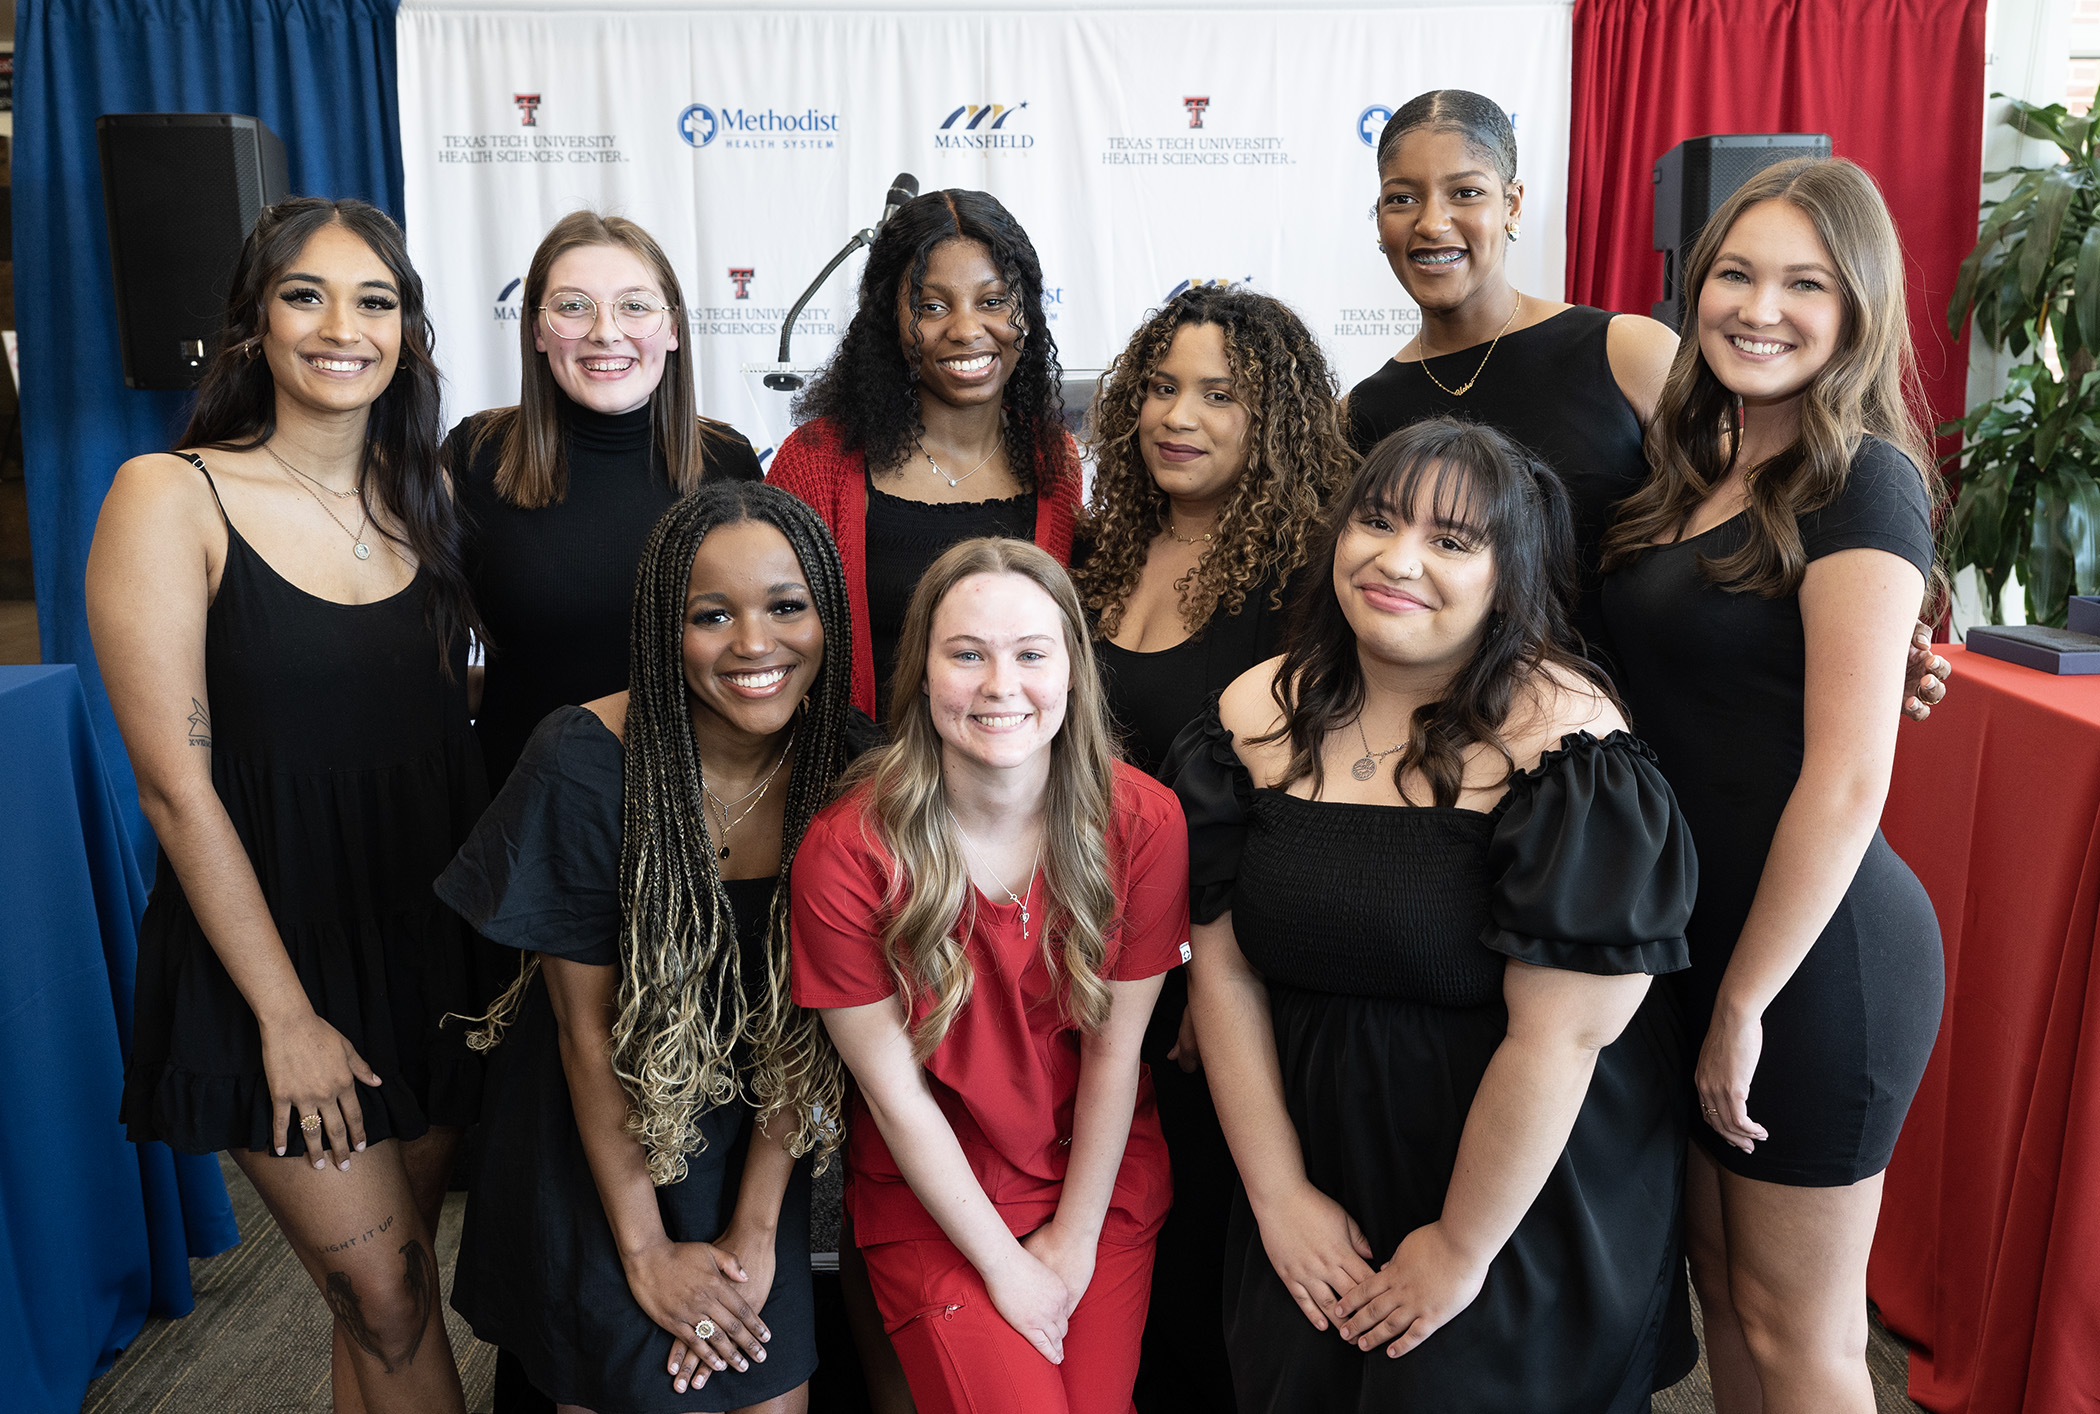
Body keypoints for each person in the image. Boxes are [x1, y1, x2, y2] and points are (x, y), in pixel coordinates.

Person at [1168, 417, 1698, 1412]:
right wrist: (1279, 1197)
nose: (1396, 559)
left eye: (1452, 540)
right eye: (1375, 519)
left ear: (1511, 572)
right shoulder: (1248, 719)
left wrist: (1459, 1248)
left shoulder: (1570, 747)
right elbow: (1225, 970)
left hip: (1515, 1188)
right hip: (1308, 1161)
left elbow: (1563, 1039)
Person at [88, 197, 489, 1413]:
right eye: (307, 295)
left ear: (408, 334)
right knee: (391, 1297)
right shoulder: (173, 494)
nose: (342, 327)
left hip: (427, 938)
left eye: (376, 301)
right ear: (254, 325)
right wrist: (285, 1016)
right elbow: (175, 784)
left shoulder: (425, 498)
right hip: (271, 952)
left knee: (383, 1291)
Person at [1599, 157, 1945, 1414]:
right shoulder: (1694, 468)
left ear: (1858, 309)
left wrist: (1744, 1000)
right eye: (1737, 274)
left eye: (1806, 283)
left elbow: (1850, 783)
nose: (1762, 307)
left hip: (1813, 959)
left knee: (1802, 1333)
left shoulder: (1866, 480)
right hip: (1698, 946)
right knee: (1727, 1297)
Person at [438, 482, 870, 1413]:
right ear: (661, 631)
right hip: (602, 1150)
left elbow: (815, 1028)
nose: (756, 645)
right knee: (636, 1389)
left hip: (763, 1135)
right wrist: (645, 1251)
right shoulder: (583, 760)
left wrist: (756, 1234)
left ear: (828, 615)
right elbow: (585, 1039)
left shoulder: (852, 768)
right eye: (713, 616)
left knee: (768, 1395)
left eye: (787, 607)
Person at [1342, 89, 1950, 719]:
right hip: (1453, 761)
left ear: (1513, 204)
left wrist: (1864, 650)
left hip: (1635, 754)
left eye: (1465, 192)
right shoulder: (1361, 414)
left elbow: (1754, 520)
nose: (1432, 222)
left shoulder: (1623, 351)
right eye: (1402, 199)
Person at [790, 538, 1189, 1414]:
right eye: (967, 655)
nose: (1000, 686)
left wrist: (1072, 1245)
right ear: (923, 672)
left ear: (1073, 671)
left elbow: (1117, 1059)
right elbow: (895, 1098)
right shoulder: (847, 851)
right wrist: (1006, 1269)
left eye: (1030, 655)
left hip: (1094, 1177)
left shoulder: (1144, 822)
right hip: (940, 1198)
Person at [1071, 284, 1352, 1413]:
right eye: (1159, 385)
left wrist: (1209, 980)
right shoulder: (1100, 547)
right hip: (1084, 959)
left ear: (1274, 418)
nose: (1175, 414)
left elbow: (1288, 810)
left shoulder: (1304, 585)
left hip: (1209, 986)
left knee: (1199, 1280)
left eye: (1219, 394)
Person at [449, 209, 762, 794]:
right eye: (573, 306)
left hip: (691, 808)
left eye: (635, 306)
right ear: (537, 331)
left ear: (672, 329)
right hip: (520, 811)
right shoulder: (476, 456)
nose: (606, 331)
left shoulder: (729, 463)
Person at [769, 190, 1083, 718]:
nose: (965, 329)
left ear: (1025, 311)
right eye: (931, 306)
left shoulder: (1053, 457)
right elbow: (774, 636)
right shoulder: (818, 460)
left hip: (1007, 782)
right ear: (888, 318)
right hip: (857, 779)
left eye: (993, 301)